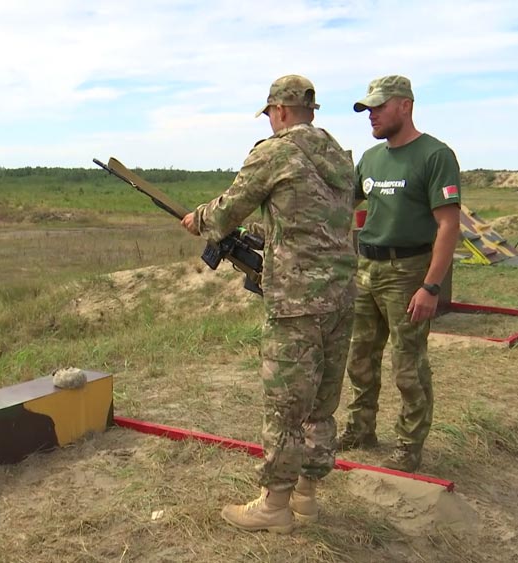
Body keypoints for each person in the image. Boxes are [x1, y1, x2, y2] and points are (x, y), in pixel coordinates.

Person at [180, 75, 356, 533]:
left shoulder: (275, 151)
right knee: (321, 405)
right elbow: (315, 222)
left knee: (285, 407)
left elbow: (225, 211)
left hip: (296, 301)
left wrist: (197, 218)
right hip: (341, 297)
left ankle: (274, 507)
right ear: (311, 110)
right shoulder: (338, 154)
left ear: (278, 110)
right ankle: (306, 498)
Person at [338, 75, 461, 473]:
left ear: (404, 105)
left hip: (408, 271)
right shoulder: (371, 159)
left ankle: (409, 445)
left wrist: (431, 285)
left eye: (377, 106)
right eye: (367, 108)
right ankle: (360, 428)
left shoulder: (435, 155)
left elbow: (448, 226)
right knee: (360, 356)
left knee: (407, 365)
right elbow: (341, 205)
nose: (370, 115)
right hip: (366, 266)